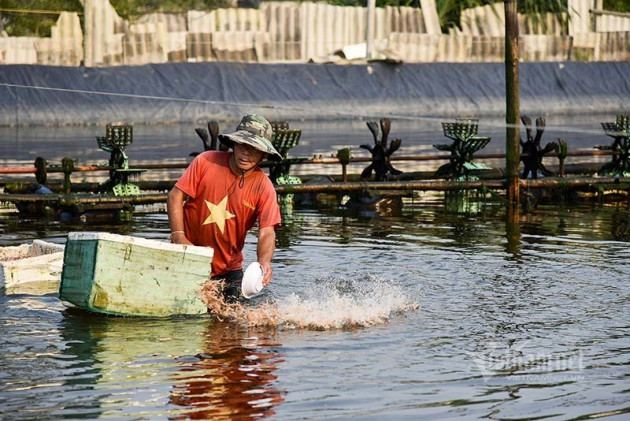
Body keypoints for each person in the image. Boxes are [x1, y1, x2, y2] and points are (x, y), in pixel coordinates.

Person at [167, 114, 282, 302]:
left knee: (231, 319)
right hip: (187, 257)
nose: (246, 153)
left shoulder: (264, 187)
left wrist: (264, 262)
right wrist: (178, 235)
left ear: (264, 154)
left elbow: (267, 232)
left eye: (254, 148)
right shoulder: (206, 161)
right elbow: (175, 196)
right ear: (233, 145)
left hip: (228, 271)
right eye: (243, 145)